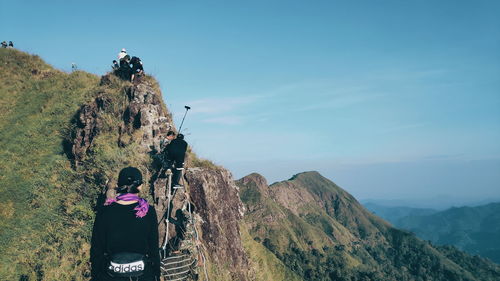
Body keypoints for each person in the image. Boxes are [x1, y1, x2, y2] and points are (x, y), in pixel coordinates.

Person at [90, 167, 160, 281]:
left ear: (118, 185)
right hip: (142, 276)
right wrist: (156, 274)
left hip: (110, 275)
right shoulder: (148, 211)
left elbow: (96, 249)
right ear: (140, 186)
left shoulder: (104, 211)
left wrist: (96, 275)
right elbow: (154, 249)